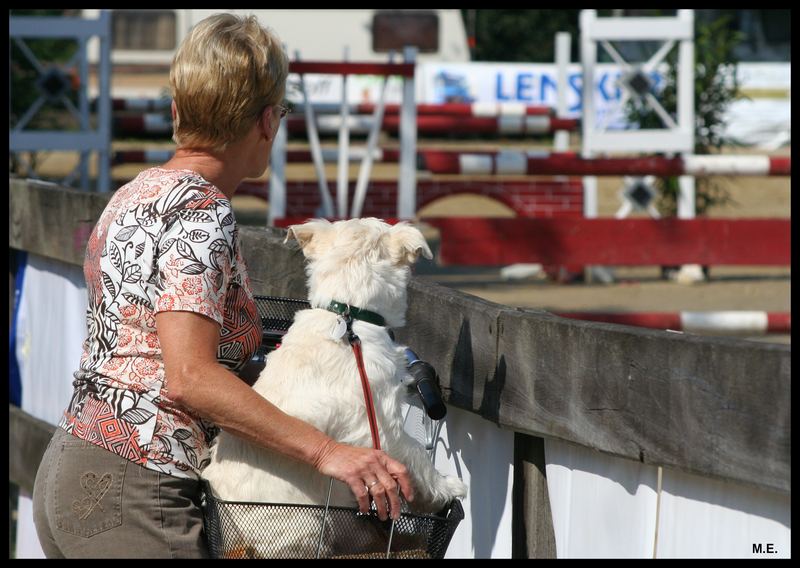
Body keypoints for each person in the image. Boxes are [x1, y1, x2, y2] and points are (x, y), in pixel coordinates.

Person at [32, 13, 414, 559]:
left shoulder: (136, 193)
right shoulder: (201, 214)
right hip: (137, 485)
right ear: (265, 121)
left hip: (74, 463)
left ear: (176, 111)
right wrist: (330, 452)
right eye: (279, 112)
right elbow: (190, 378)